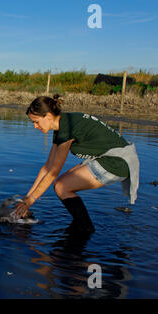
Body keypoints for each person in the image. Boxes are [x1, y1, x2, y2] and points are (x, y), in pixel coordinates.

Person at [14, 94, 139, 234]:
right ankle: (80, 224)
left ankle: (85, 228)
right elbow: (47, 166)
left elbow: (53, 172)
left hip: (117, 161)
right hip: (108, 157)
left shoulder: (66, 128)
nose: (35, 127)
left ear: (48, 116)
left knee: (62, 186)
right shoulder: (60, 127)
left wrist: (31, 201)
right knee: (60, 184)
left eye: (36, 122)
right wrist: (27, 198)